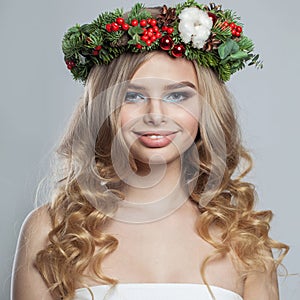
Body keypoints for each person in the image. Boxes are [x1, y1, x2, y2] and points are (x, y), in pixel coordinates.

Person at [11, 1, 289, 300]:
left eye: (177, 95)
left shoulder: (245, 239)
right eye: (132, 95)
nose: (156, 114)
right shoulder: (54, 231)